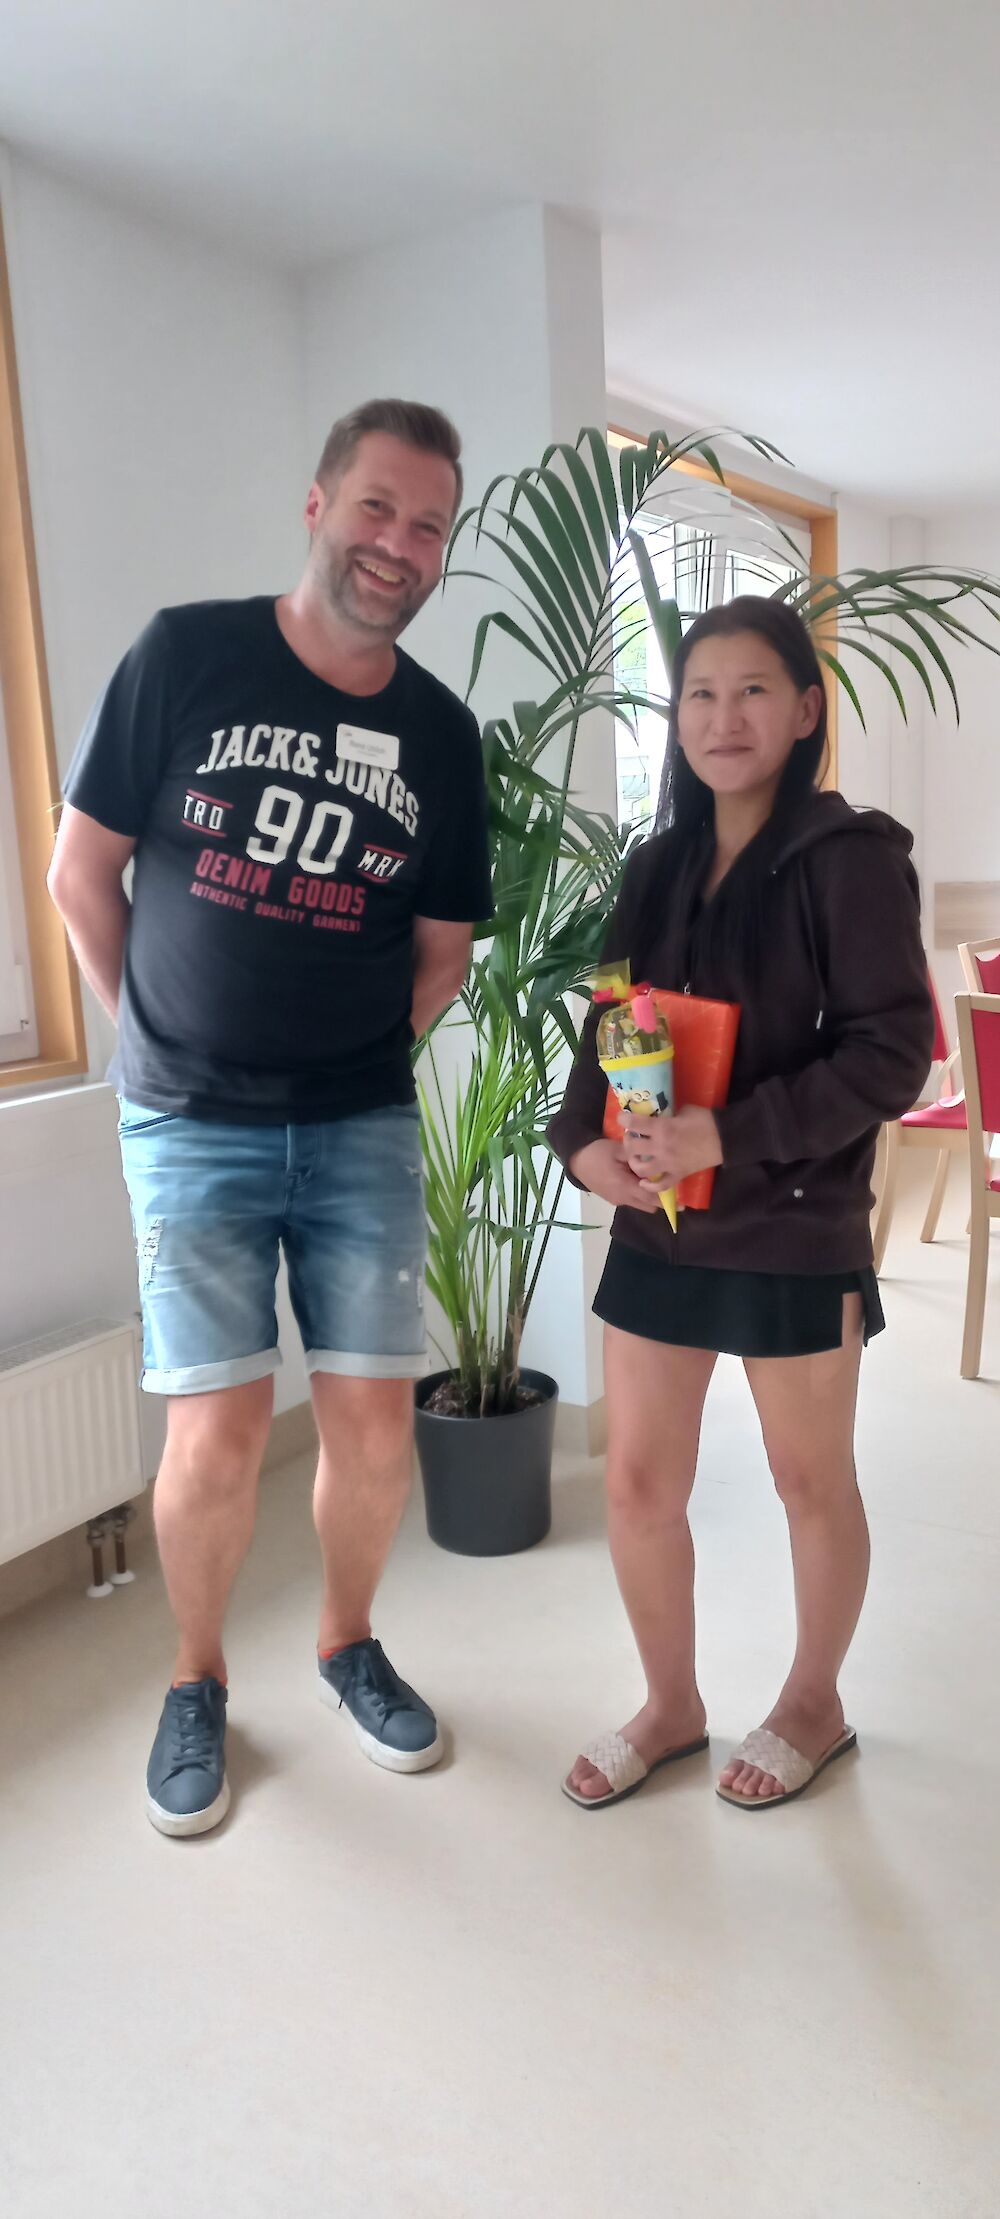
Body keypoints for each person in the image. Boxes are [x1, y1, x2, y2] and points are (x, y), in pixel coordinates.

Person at [48, 398, 493, 1837]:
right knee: (218, 1435)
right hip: (191, 1124)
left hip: (361, 1125)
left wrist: (355, 1061)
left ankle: (347, 1642)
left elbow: (442, 953)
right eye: (377, 506)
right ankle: (196, 1678)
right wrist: (154, 1042)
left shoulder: (439, 735)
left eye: (428, 524)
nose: (399, 543)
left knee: (372, 1428)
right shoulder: (185, 653)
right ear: (317, 505)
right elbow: (80, 873)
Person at [547, 595, 933, 1813]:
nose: (724, 716)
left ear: (805, 708)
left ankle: (813, 1702)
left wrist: (730, 1131)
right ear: (677, 720)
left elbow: (890, 1055)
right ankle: (670, 1704)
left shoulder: (847, 857)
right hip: (661, 1221)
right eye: (700, 694)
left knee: (808, 1481)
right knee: (636, 1484)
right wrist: (581, 1147)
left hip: (794, 1223)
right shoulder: (656, 864)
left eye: (753, 689)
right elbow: (611, 1021)